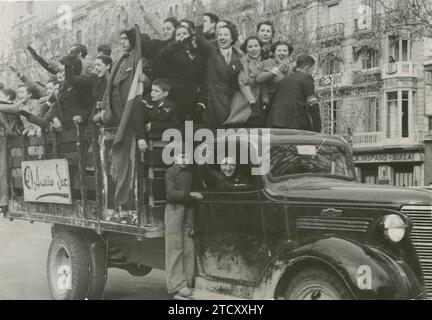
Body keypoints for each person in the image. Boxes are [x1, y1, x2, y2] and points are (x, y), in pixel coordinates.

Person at [194, 1, 244, 125]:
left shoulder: (239, 56)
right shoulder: (212, 51)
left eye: (226, 35)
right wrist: (199, 16)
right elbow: (199, 38)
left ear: (232, 38)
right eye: (220, 34)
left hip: (231, 102)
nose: (222, 37)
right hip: (213, 101)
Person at [164, 152, 202, 298]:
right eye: (181, 157)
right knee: (175, 247)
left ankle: (187, 282)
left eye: (186, 157)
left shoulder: (190, 172)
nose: (184, 160)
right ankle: (176, 285)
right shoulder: (171, 172)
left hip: (188, 210)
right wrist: (191, 194)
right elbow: (171, 194)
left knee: (188, 246)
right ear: (174, 158)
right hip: (174, 210)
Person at [159, 25, 205, 121]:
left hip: (194, 96)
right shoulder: (171, 53)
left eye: (185, 33)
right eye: (178, 34)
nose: (181, 36)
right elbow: (162, 54)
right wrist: (178, 44)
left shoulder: (197, 52)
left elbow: (202, 75)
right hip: (177, 96)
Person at [267, 54, 321, 132]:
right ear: (307, 68)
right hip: (295, 125)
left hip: (275, 122)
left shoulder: (284, 80)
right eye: (312, 69)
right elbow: (313, 104)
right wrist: (317, 128)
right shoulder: (306, 78)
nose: (312, 72)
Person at [44, 52, 92, 131]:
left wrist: (82, 117)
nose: (63, 72)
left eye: (65, 69)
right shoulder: (63, 86)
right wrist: (55, 118)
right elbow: (56, 105)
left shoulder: (83, 82)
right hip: (64, 130)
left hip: (80, 130)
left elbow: (90, 107)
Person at [224, 36, 266, 126]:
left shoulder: (262, 63)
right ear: (246, 49)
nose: (253, 49)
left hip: (256, 101)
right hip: (243, 100)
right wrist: (252, 102)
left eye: (256, 46)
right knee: (237, 125)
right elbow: (243, 83)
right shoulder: (243, 62)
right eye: (250, 47)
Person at [134, 78, 178, 152]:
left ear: (165, 94)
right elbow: (138, 118)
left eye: (156, 91)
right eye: (152, 90)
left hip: (163, 139)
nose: (152, 93)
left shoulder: (171, 106)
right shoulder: (147, 100)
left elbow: (174, 125)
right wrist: (141, 138)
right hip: (144, 138)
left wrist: (154, 125)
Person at [257, 41, 293, 106]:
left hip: (283, 100)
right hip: (269, 101)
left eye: (285, 51)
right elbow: (260, 79)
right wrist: (279, 68)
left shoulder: (290, 67)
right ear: (274, 53)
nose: (282, 53)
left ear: (288, 53)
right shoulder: (268, 62)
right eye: (279, 50)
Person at [0, 89, 17, 212]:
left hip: (3, 139)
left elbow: (10, 129)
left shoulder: (10, 109)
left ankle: (4, 200)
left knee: (3, 169)